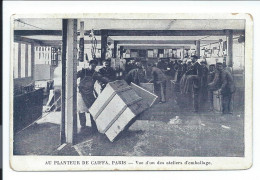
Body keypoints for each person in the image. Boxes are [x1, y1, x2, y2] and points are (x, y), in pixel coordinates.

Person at [77, 60, 109, 131]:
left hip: (89, 94)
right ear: (89, 65)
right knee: (81, 111)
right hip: (81, 93)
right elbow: (74, 77)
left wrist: (110, 81)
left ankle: (94, 127)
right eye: (92, 66)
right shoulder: (83, 71)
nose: (93, 67)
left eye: (95, 66)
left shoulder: (95, 74)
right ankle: (83, 126)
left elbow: (102, 79)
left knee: (93, 109)